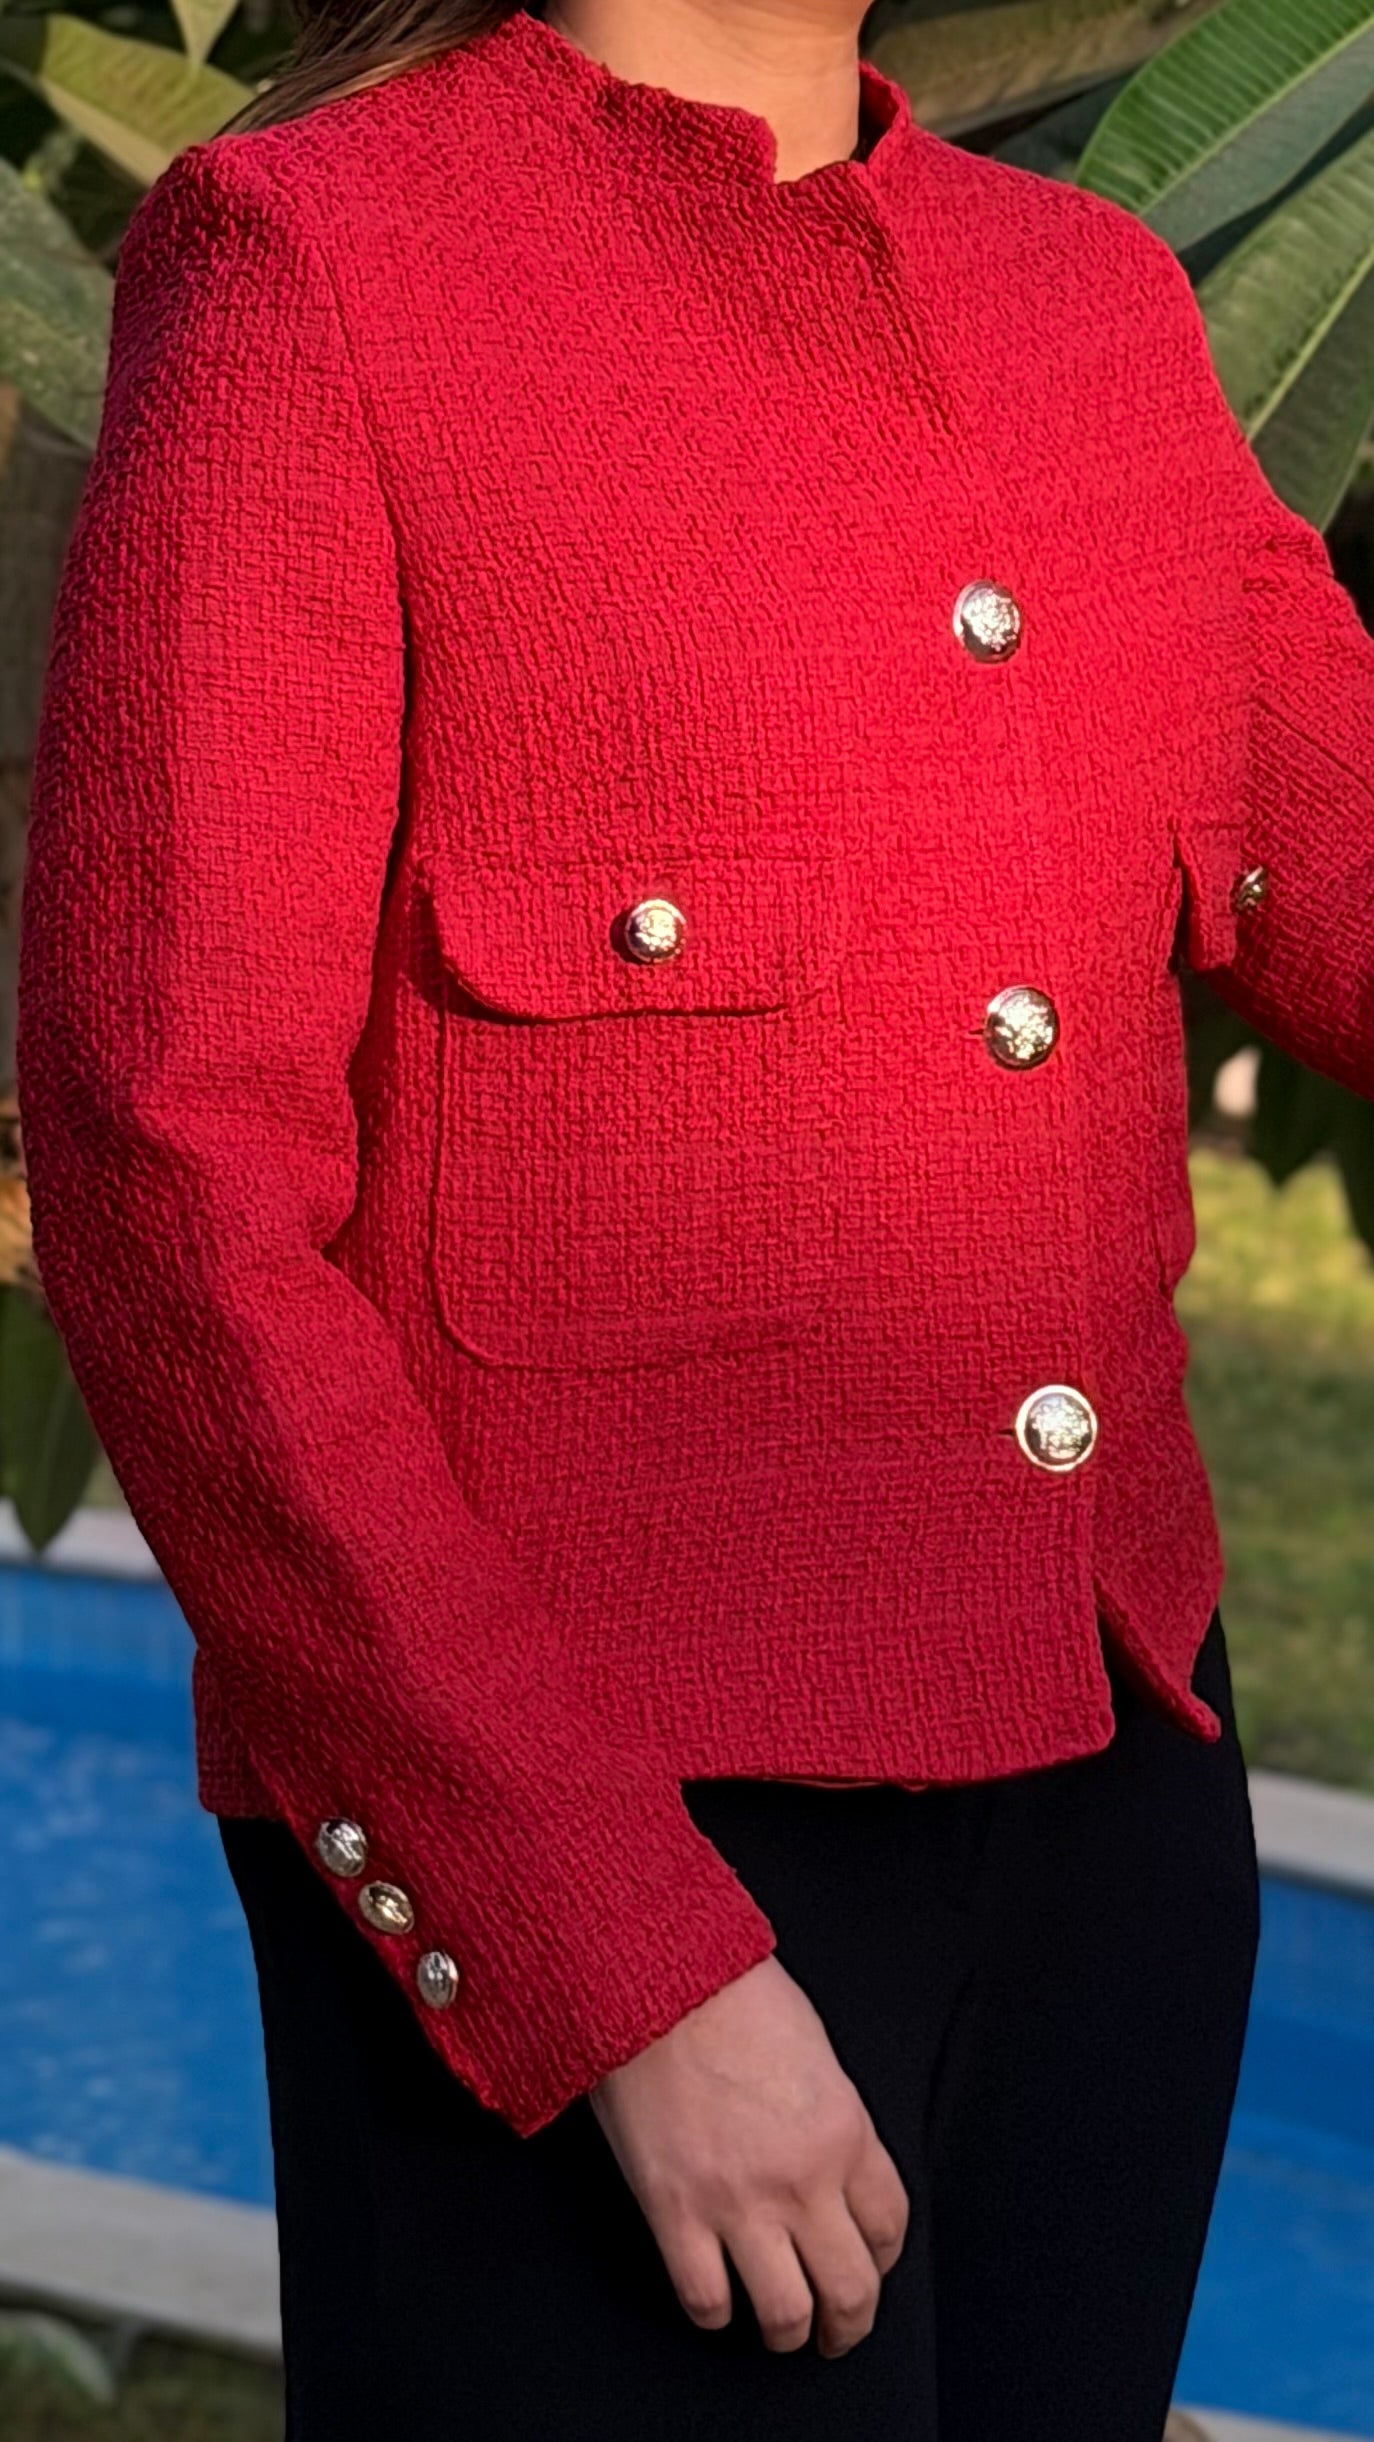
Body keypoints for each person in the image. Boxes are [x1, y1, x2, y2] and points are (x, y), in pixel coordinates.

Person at [16, 1, 1374, 2433]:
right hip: (612, 1839)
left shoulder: (1087, 299)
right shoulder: (315, 256)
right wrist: (607, 1960)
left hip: (1114, 1801)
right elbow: (170, 1176)